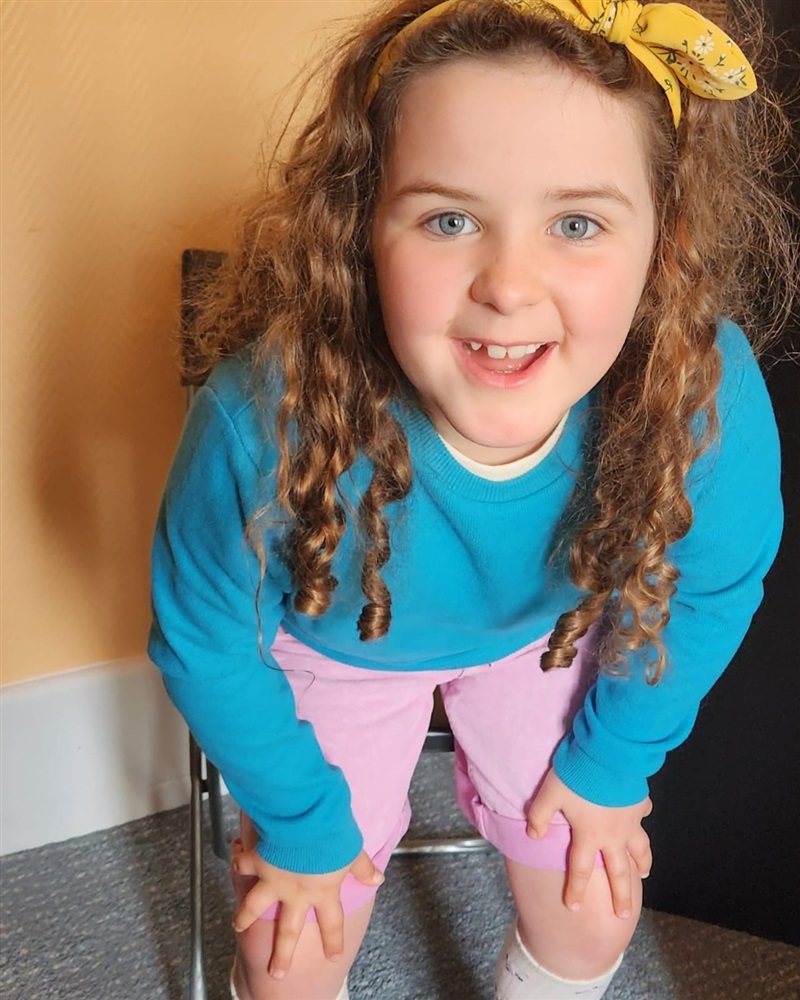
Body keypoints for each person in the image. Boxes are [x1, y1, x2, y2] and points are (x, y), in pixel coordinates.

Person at [148, 1, 796, 998]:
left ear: (661, 244)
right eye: (449, 220)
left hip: (540, 633)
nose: (508, 285)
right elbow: (204, 638)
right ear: (361, 229)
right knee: (289, 959)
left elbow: (708, 588)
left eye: (575, 223)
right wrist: (300, 822)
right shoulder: (260, 416)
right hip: (335, 645)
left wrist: (611, 762)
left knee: (593, 908)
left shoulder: (700, 388)